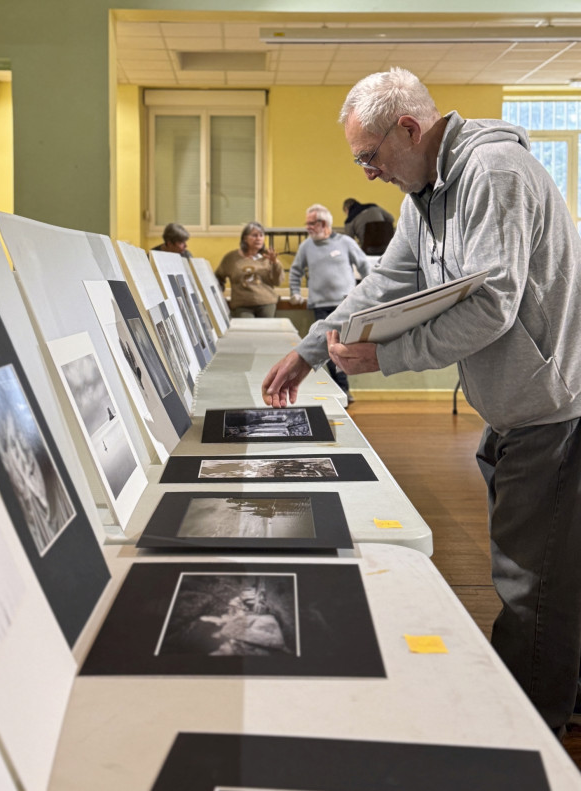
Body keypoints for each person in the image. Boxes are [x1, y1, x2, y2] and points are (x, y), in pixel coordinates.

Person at [262, 67, 581, 737]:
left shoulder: (493, 175)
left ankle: (523, 738)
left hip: (551, 410)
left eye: (370, 157)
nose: (368, 174)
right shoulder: (423, 197)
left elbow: (493, 305)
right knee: (550, 569)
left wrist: (387, 357)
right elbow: (379, 290)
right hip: (514, 407)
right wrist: (311, 350)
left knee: (533, 588)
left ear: (409, 129)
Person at [289, 203, 371, 401]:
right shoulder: (306, 246)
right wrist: (295, 292)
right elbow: (295, 271)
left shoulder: (346, 242)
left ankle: (343, 390)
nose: (307, 227)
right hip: (320, 305)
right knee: (327, 350)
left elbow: (365, 266)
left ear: (323, 223)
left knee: (343, 349)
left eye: (311, 223)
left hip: (345, 305)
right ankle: (338, 391)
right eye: (306, 223)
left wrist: (369, 293)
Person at [215, 221, 284, 318]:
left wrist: (275, 263)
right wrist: (218, 294)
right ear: (245, 238)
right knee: (247, 330)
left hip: (266, 303)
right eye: (254, 235)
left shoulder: (268, 257)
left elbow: (278, 281)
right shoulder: (231, 258)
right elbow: (218, 277)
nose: (258, 238)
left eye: (261, 235)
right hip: (242, 305)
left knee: (265, 331)